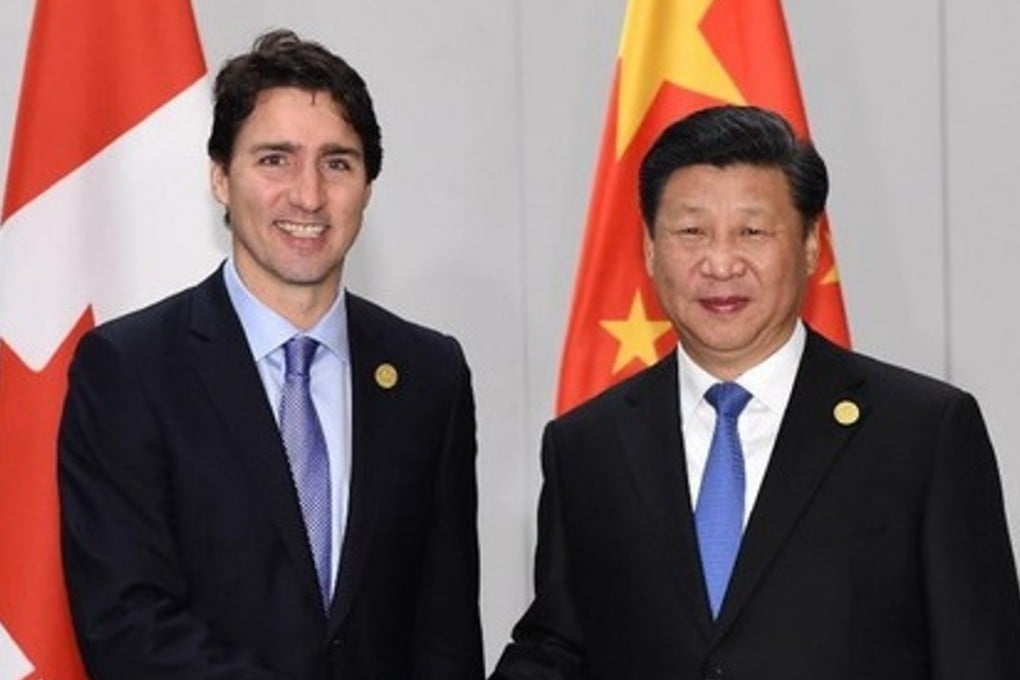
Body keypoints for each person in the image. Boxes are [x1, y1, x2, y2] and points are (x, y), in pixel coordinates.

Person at [490, 105, 1020, 679]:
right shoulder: (586, 445)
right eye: (691, 232)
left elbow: (980, 654)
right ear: (648, 248)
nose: (720, 263)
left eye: (752, 231)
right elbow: (558, 646)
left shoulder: (922, 434)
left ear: (811, 245)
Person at [58, 29, 483, 679]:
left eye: (337, 162)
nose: (308, 195)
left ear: (368, 186)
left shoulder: (430, 374)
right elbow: (126, 622)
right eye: (274, 160)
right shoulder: (130, 369)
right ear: (221, 178)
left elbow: (445, 627)